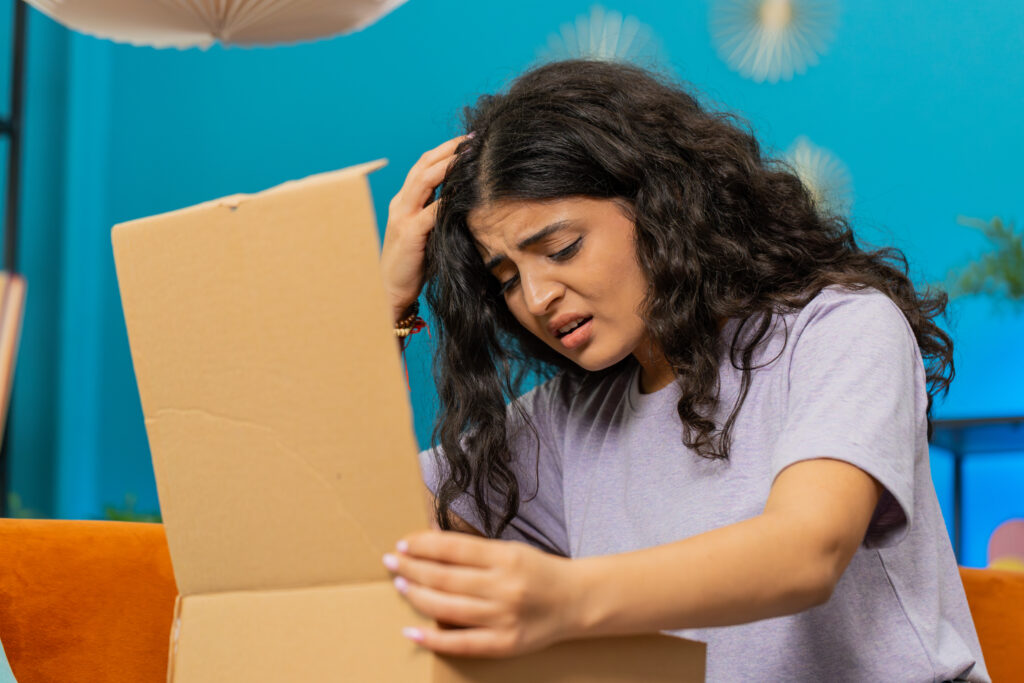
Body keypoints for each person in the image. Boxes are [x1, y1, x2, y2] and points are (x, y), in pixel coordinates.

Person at [377, 58, 989, 682]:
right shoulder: (568, 420)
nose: (536, 298)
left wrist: (565, 597)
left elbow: (808, 551)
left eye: (561, 249)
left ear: (661, 203)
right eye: (507, 278)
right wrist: (383, 310)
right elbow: (373, 529)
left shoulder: (837, 327)